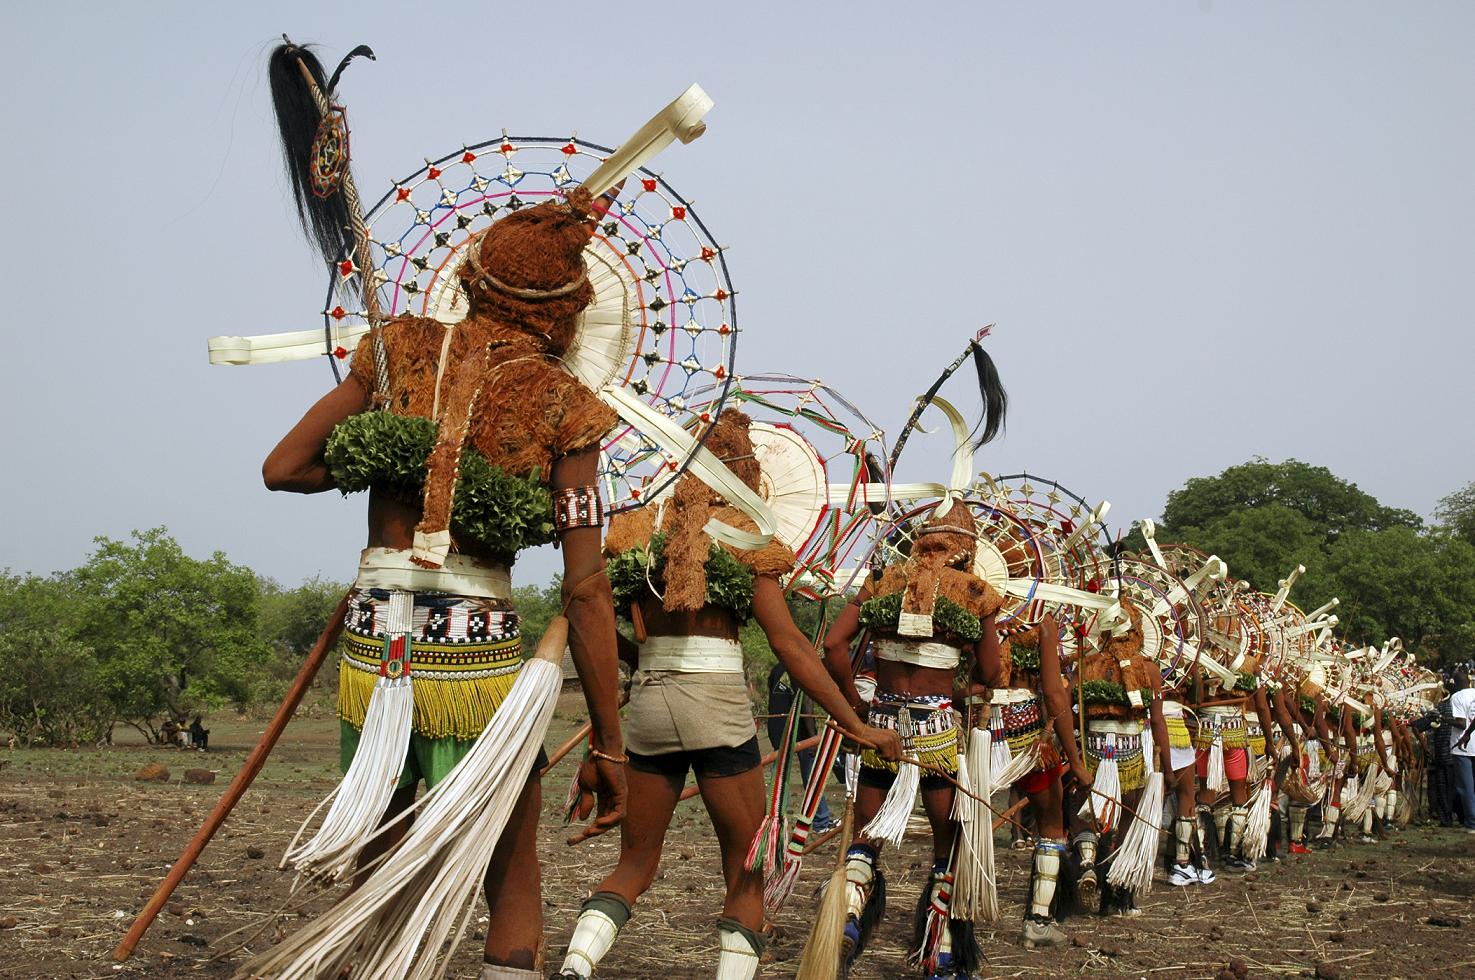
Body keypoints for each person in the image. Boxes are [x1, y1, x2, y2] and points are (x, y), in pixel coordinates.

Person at [256, 42, 628, 979]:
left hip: (377, 637)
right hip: (480, 650)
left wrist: (389, 470)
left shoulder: (396, 350)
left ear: (468, 280)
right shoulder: (564, 406)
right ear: (567, 315)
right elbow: (586, 588)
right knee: (509, 854)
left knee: (377, 838)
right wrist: (612, 746)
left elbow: (282, 467)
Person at [556, 409, 900, 980]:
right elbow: (788, 643)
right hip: (717, 712)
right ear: (744, 471)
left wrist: (643, 659)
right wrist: (856, 726)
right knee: (745, 875)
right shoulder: (744, 537)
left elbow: (593, 613)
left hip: (648, 713)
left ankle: (574, 966)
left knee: (635, 864)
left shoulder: (645, 533)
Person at [820, 499, 1010, 977]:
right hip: (937, 732)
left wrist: (854, 702)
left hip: (881, 724)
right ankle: (940, 953)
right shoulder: (974, 591)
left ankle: (844, 922)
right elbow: (990, 672)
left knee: (864, 839)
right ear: (968, 549)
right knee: (946, 845)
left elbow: (832, 644)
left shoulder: (884, 581)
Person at [766, 662, 838, 833]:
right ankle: (821, 822)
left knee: (780, 777)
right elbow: (806, 702)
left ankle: (774, 822)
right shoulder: (802, 667)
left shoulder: (776, 669)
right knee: (811, 776)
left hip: (777, 728)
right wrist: (813, 736)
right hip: (799, 731)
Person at [1445, 670, 1475, 832]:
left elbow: (1461, 723)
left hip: (1462, 747)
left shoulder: (1457, 697)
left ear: (1455, 684)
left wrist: (1443, 719)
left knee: (1466, 787)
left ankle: (1471, 823)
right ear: (1469, 681)